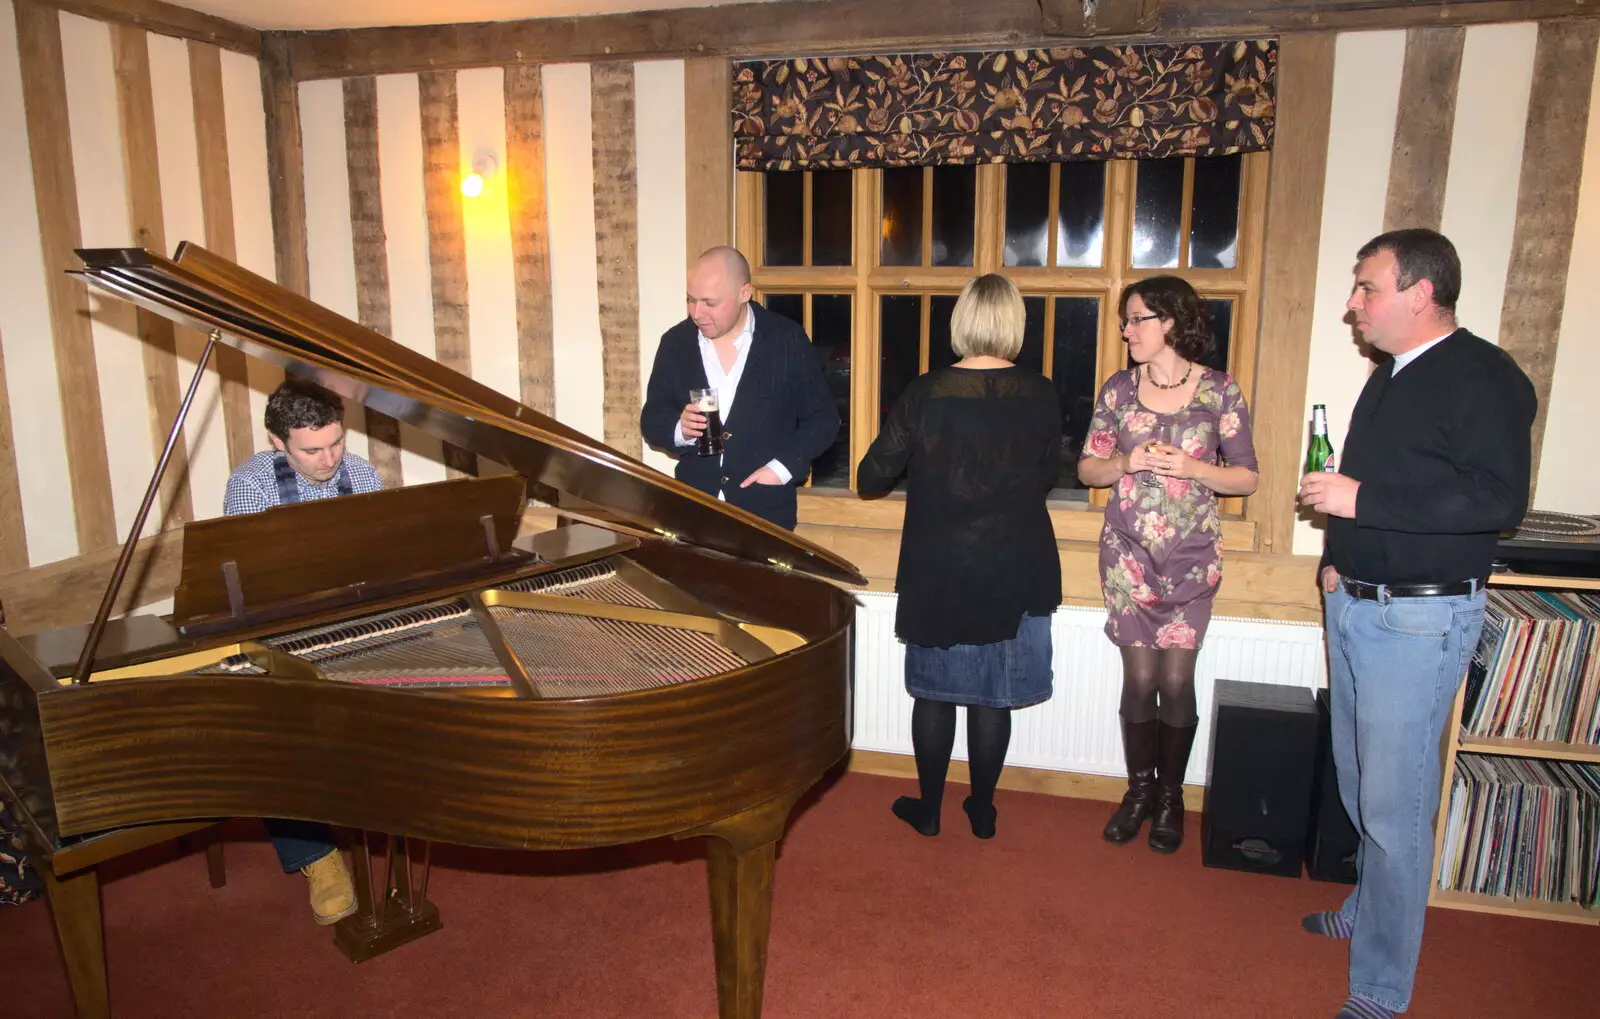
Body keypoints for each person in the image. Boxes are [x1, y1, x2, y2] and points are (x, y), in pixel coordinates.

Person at [1298, 229, 1535, 1019]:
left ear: (1420, 292)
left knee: (1397, 814)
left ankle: (1382, 990)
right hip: (1357, 602)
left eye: (1367, 287)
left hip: (1420, 620)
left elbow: (1498, 500)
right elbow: (1362, 481)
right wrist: (1335, 558)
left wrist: (1358, 504)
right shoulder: (1390, 374)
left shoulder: (1484, 377)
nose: (1353, 303)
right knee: (1362, 786)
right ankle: (1368, 911)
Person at [856, 274, 1061, 839]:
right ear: (1015, 324)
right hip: (1016, 563)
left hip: (941, 565)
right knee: (991, 695)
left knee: (935, 691)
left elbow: (870, 478)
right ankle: (984, 810)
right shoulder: (1041, 392)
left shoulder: (925, 393)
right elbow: (1047, 474)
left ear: (961, 321)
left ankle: (929, 810)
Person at [1078, 276, 1258, 853]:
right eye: (1126, 320)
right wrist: (1124, 461)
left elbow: (1247, 476)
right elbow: (1086, 469)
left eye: (1136, 319)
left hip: (1191, 557)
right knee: (1140, 678)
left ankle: (1170, 797)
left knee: (1177, 681)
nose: (1126, 330)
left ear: (1171, 322)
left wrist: (1193, 467)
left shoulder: (1220, 392)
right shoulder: (1117, 390)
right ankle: (1137, 793)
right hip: (1128, 555)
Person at [222, 378, 378, 927]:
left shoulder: (361, 473)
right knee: (274, 729)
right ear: (277, 441)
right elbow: (254, 589)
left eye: (336, 442)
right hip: (281, 626)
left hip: (354, 619)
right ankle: (316, 856)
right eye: (312, 449)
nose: (329, 459)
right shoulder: (250, 486)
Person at [640, 246, 839, 530]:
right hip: (691, 514)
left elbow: (823, 420)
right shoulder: (675, 343)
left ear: (744, 293)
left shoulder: (786, 339)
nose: (697, 313)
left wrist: (781, 470)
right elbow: (652, 418)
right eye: (691, 300)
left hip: (766, 517)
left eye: (709, 302)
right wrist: (679, 429)